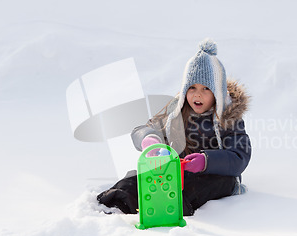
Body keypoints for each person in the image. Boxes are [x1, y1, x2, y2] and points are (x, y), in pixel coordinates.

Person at [97, 38, 251, 216]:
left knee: (199, 185)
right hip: (178, 170)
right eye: (192, 88)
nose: (197, 94)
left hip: (217, 176)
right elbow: (142, 129)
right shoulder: (176, 112)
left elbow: (240, 156)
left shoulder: (229, 118)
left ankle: (172, 206)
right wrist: (149, 139)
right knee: (141, 177)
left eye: (205, 89)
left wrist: (206, 161)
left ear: (217, 92)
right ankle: (118, 201)